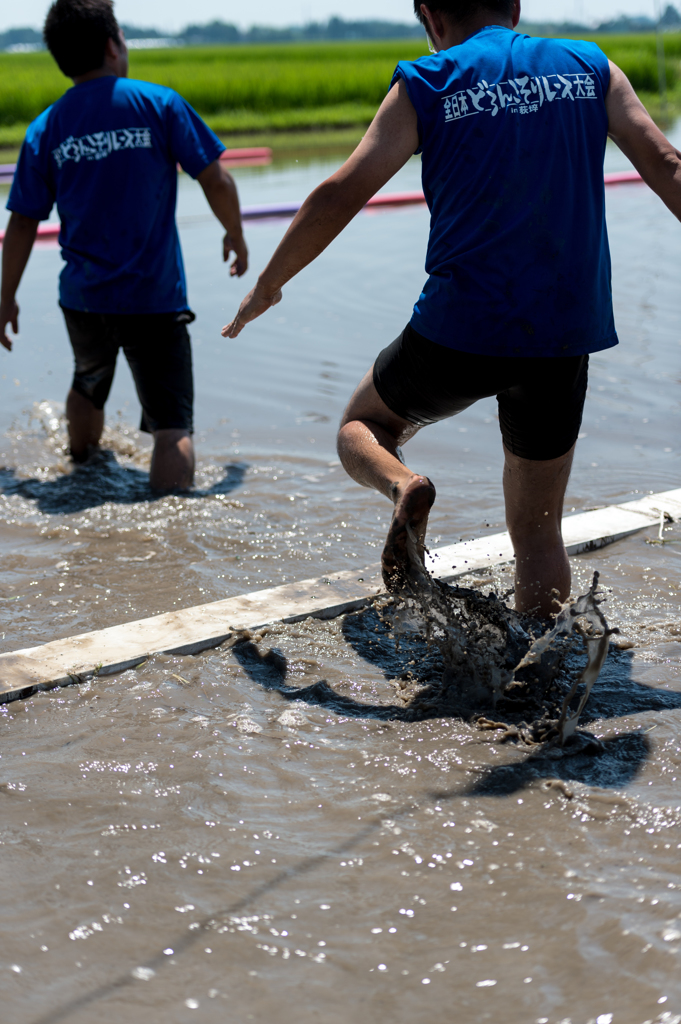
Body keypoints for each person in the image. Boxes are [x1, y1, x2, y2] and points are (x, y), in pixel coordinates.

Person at [223, 0, 681, 616]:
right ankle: (536, 674)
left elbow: (342, 191)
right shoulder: (589, 66)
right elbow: (666, 163)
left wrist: (268, 286)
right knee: (538, 534)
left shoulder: (427, 80)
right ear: (515, 4)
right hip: (563, 334)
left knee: (362, 427)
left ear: (429, 16)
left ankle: (405, 485)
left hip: (458, 329)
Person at [1, 0, 248, 491]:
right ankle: (171, 531)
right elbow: (216, 180)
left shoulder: (46, 127)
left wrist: (5, 296)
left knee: (88, 381)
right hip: (153, 298)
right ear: (114, 45)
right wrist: (235, 233)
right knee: (171, 424)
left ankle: (82, 472)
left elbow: (23, 223)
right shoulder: (159, 104)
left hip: (83, 299)